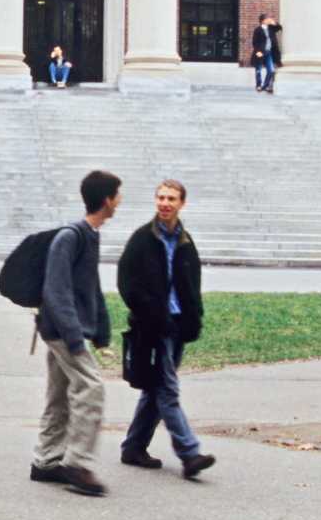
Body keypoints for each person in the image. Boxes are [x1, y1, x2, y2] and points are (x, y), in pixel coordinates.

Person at [116, 179, 216, 479]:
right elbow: (126, 282)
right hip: (152, 326)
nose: (165, 203)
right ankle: (189, 453)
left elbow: (192, 284)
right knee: (167, 390)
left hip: (177, 325)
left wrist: (193, 317)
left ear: (181, 203)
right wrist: (149, 310)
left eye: (171, 198)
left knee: (155, 389)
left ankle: (133, 447)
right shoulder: (142, 239)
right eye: (160, 197)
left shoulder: (185, 241)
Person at [30, 169, 120, 497]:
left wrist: (102, 332)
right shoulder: (70, 236)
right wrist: (74, 336)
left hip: (68, 329)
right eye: (117, 195)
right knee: (91, 387)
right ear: (107, 200)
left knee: (59, 394)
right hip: (61, 330)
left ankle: (46, 460)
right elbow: (57, 290)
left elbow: (90, 288)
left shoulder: (90, 235)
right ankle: (77, 463)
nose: (119, 201)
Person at [250, 13, 281, 94]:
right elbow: (254, 42)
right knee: (258, 70)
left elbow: (279, 28)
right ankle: (258, 85)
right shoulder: (258, 30)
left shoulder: (271, 28)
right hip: (260, 52)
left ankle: (265, 86)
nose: (269, 20)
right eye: (267, 19)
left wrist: (274, 23)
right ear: (263, 21)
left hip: (269, 52)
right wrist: (257, 52)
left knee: (271, 70)